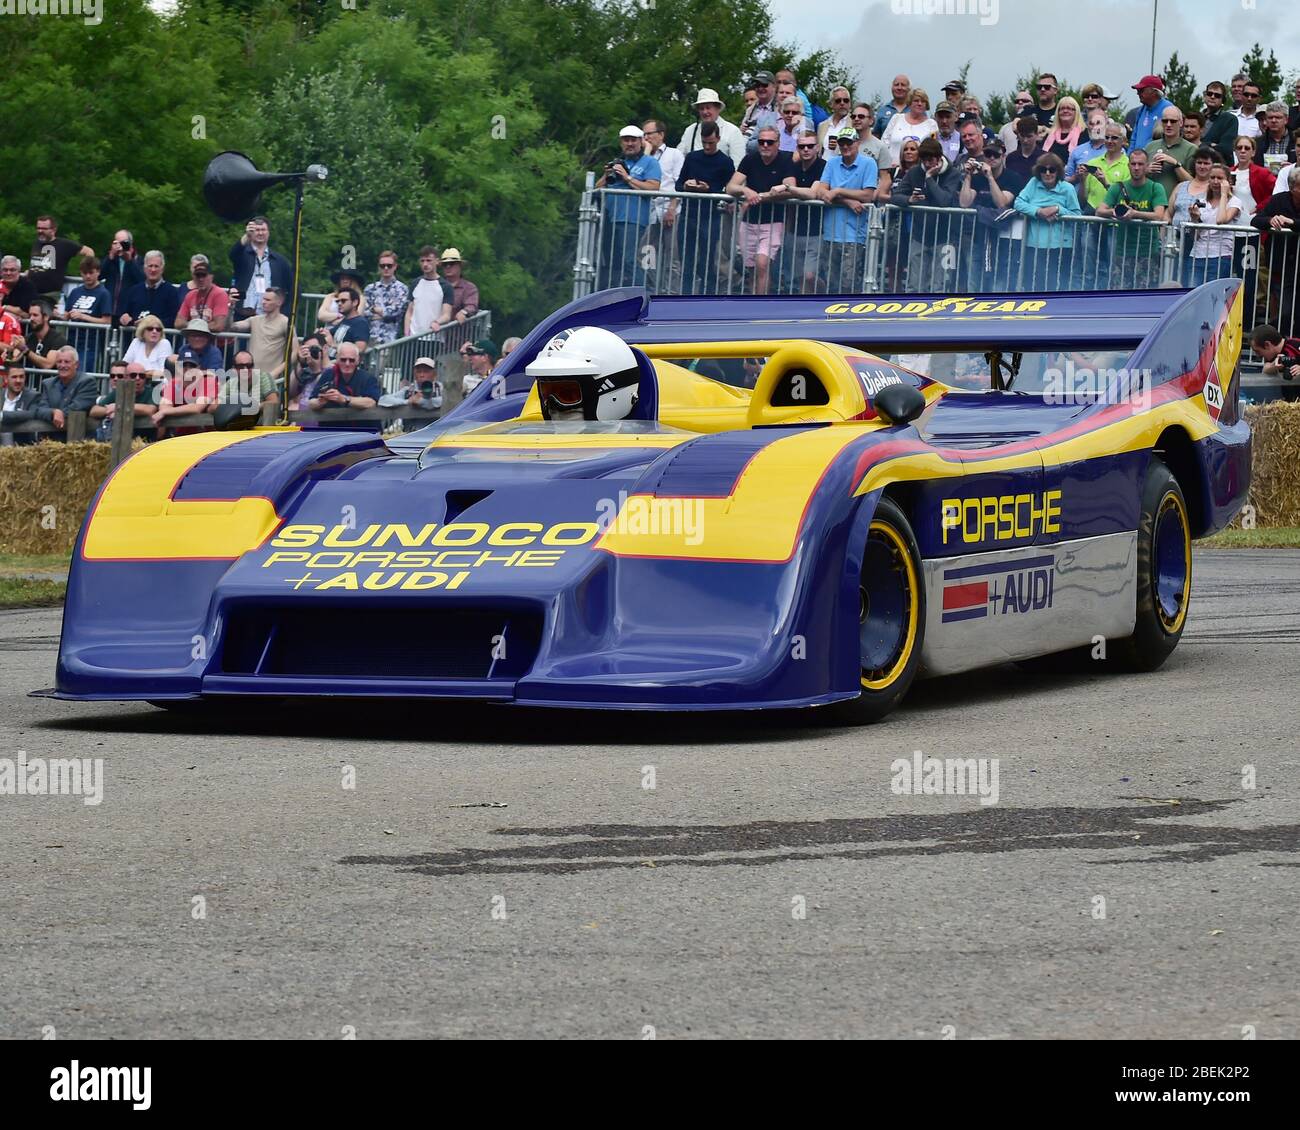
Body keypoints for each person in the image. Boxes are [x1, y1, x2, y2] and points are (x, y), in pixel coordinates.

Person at [727, 125, 796, 295]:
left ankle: (761, 306)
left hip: (773, 221)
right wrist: (745, 190)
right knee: (752, 268)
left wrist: (761, 196)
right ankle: (754, 304)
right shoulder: (750, 159)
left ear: (778, 143)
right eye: (762, 141)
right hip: (749, 220)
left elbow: (790, 188)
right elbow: (731, 187)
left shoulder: (786, 160)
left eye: (770, 142)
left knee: (762, 263)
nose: (765, 145)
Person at [670, 120, 735, 293]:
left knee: (707, 260)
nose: (707, 146)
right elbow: (678, 184)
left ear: (718, 139)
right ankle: (685, 297)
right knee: (687, 260)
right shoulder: (692, 158)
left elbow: (730, 192)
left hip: (710, 216)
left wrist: (710, 190)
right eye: (704, 142)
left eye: (711, 143)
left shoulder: (725, 162)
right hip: (688, 214)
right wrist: (686, 186)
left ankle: (708, 296)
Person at [526, 326, 642, 422]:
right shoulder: (531, 443)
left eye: (568, 393)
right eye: (546, 394)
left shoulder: (650, 447)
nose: (553, 406)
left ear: (610, 390)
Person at [596, 125, 662, 288]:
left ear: (641, 142)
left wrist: (627, 178)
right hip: (611, 218)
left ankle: (641, 297)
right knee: (612, 263)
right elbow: (596, 190)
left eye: (633, 140)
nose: (630, 144)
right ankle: (616, 298)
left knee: (630, 260)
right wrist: (607, 175)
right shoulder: (618, 163)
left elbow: (654, 188)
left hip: (632, 219)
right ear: (621, 143)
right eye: (626, 140)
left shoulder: (650, 162)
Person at [815, 127, 878, 292]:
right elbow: (822, 191)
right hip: (830, 234)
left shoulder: (868, 163)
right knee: (830, 285)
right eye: (842, 143)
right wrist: (847, 201)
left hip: (854, 235)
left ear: (857, 143)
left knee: (849, 286)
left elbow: (868, 195)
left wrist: (837, 191)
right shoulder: (832, 162)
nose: (845, 146)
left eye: (849, 142)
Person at [1095, 148, 1169, 288]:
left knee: (1146, 296)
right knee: (1119, 294)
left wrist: (1134, 214)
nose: (1136, 168)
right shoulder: (1118, 187)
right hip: (1122, 251)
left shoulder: (1155, 187)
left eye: (1140, 164)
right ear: (1128, 165)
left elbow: (1159, 215)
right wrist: (1115, 212)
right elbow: (1099, 211)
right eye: (1133, 164)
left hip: (1147, 252)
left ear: (1147, 166)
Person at [1014, 153, 1083, 289]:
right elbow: (1018, 202)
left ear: (1058, 171)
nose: (1047, 173)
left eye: (1052, 170)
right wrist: (1039, 212)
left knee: (1058, 286)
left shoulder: (1067, 188)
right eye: (1043, 170)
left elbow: (1077, 215)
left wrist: (1058, 209)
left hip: (1060, 247)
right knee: (1032, 286)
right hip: (1034, 245)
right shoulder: (1033, 183)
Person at [770, 130, 827, 293]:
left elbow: (812, 193)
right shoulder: (792, 167)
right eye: (802, 146)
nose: (806, 149)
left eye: (810, 146)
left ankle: (824, 292)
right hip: (794, 230)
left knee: (809, 276)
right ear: (798, 148)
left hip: (817, 231)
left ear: (817, 148)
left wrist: (788, 187)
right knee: (798, 278)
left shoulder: (823, 166)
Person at [1250, 168, 1300, 334]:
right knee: (1285, 311)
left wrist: (1292, 222)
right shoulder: (1279, 200)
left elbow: (1294, 224)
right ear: (1293, 188)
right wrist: (1271, 220)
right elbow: (1256, 220)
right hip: (1284, 263)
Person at [1183, 163, 1242, 284]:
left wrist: (1224, 194)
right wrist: (1195, 219)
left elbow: (1221, 220)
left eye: (1220, 178)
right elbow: (1194, 236)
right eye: (1212, 177)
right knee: (1194, 296)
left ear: (1228, 181)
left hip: (1220, 256)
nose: (1215, 181)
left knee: (1214, 298)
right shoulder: (1201, 201)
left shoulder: (1235, 202)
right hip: (1197, 255)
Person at [228, 216, 294, 318]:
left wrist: (285, 312)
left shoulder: (279, 261)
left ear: (268, 232)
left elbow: (294, 288)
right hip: (243, 311)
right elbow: (233, 254)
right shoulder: (243, 255)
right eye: (257, 230)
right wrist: (247, 236)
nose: (260, 233)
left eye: (263, 230)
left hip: (268, 315)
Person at [231, 286, 297, 387]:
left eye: (268, 300)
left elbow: (296, 352)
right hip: (249, 377)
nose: (263, 302)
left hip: (270, 381)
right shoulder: (255, 320)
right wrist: (230, 307)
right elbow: (231, 327)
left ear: (279, 302)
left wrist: (276, 372)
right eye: (263, 299)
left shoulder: (286, 322)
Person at [33, 347, 98, 438]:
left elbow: (78, 407)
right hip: (49, 440)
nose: (62, 365)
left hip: (78, 440)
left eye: (67, 362)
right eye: (59, 362)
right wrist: (54, 412)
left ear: (76, 365)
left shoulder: (87, 382)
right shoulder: (48, 384)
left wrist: (61, 413)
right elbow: (39, 409)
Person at [63, 256, 112, 374]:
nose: (88, 276)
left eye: (91, 273)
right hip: (71, 340)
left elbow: (107, 321)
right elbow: (66, 314)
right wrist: (58, 315)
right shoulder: (75, 292)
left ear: (98, 272)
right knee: (66, 372)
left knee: (83, 374)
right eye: (85, 273)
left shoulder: (103, 293)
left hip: (90, 343)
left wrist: (83, 316)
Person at [28, 215, 94, 301]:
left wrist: (85, 270)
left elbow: (89, 252)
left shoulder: (64, 244)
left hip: (50, 295)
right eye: (38, 228)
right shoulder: (37, 243)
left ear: (54, 229)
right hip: (32, 292)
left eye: (44, 229)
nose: (40, 231)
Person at [676, 88, 746, 166]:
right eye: (701, 108)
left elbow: (738, 165)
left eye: (708, 107)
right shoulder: (690, 131)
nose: (705, 112)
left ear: (718, 108)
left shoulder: (733, 131)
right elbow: (678, 158)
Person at [90, 360, 157, 440]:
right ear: (126, 377)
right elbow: (94, 411)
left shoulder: (153, 392)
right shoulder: (118, 392)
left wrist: (117, 408)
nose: (138, 378)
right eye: (133, 375)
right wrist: (109, 410)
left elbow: (149, 410)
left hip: (147, 440)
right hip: (121, 439)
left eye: (142, 376)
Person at [152, 355, 219, 431]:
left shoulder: (208, 381)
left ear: (198, 368)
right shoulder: (173, 383)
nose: (188, 369)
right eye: (184, 365)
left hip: (206, 436)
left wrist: (166, 411)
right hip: (179, 437)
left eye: (192, 366)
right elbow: (163, 407)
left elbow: (197, 408)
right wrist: (165, 410)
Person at [1145, 106, 1196, 199]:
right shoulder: (1150, 146)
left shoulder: (1191, 149)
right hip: (1150, 204)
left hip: (1177, 205)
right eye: (1165, 121)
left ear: (1181, 123)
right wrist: (1145, 170)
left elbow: (1194, 184)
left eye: (1173, 121)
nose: (1168, 124)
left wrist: (1176, 164)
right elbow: (1135, 177)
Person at [119, 250, 180, 328]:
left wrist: (150, 323)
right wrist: (124, 318)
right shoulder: (134, 291)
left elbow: (173, 320)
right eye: (150, 266)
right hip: (135, 338)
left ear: (162, 269)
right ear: (144, 268)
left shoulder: (171, 292)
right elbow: (124, 314)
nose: (153, 270)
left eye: (156, 266)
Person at [403, 247, 453, 338]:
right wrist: (406, 333)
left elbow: (447, 315)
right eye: (422, 261)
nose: (425, 264)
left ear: (437, 262)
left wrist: (437, 322)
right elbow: (409, 312)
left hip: (433, 337)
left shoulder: (446, 286)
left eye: (429, 260)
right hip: (413, 337)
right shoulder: (415, 283)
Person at [881, 87, 937, 167]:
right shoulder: (896, 118)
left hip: (919, 171)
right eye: (916, 101)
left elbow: (933, 149)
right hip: (892, 168)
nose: (919, 103)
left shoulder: (931, 124)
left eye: (923, 101)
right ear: (910, 103)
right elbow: (884, 143)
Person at [362, 251, 409, 347]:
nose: (386, 268)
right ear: (378, 267)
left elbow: (396, 312)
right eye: (382, 266)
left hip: (390, 339)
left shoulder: (402, 289)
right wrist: (380, 312)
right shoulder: (370, 289)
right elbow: (365, 313)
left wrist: (376, 310)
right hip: (370, 337)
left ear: (395, 266)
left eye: (389, 265)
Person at [174, 255, 231, 332]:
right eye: (198, 275)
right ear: (193, 277)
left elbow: (218, 326)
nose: (201, 279)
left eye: (204, 275)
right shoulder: (190, 295)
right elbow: (178, 323)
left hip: (217, 342)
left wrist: (194, 325)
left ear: (211, 277)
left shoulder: (220, 294)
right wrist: (196, 325)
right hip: (196, 340)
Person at [100, 229, 144, 324]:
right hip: (110, 308)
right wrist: (110, 257)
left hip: (129, 310)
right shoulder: (111, 260)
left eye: (123, 243)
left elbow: (142, 280)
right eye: (116, 243)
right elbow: (99, 276)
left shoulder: (138, 261)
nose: (119, 246)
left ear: (130, 244)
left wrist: (130, 261)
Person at [221, 349, 278, 417]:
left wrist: (251, 408)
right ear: (234, 368)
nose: (245, 369)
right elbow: (214, 406)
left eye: (249, 366)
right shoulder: (231, 382)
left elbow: (273, 402)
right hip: (237, 423)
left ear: (253, 366)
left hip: (261, 422)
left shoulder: (264, 377)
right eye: (241, 366)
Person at [1230, 136, 1274, 220]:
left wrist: (1259, 208)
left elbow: (1276, 193)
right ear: (1235, 151)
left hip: (1252, 222)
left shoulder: (1263, 173)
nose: (1243, 151)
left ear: (1253, 152)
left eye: (1247, 148)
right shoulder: (1228, 172)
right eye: (1239, 148)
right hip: (1231, 221)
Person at [1127, 75, 1174, 153]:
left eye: (1141, 90)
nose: (1138, 94)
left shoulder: (1168, 109)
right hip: (1138, 161)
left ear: (1154, 92)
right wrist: (1130, 156)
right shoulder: (1141, 110)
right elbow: (1134, 138)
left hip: (1156, 159)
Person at [121, 314, 175, 379]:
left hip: (157, 385)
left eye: (158, 329)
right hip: (135, 383)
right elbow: (124, 365)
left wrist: (139, 374)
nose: (154, 331)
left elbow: (164, 373)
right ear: (142, 331)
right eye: (150, 329)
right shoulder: (136, 342)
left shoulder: (164, 344)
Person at [319, 288, 369, 357]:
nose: (339, 304)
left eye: (343, 301)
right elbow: (330, 333)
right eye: (337, 301)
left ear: (355, 302)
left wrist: (333, 344)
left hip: (345, 364)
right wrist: (322, 333)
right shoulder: (345, 320)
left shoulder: (361, 323)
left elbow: (360, 349)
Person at [740, 70, 780, 154]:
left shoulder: (780, 107)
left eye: (764, 85)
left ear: (774, 87)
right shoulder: (750, 109)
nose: (760, 88)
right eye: (757, 85)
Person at [0, 363, 39, 447]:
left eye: (21, 377)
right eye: (14, 377)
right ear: (6, 379)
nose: (18, 380)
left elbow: (30, 414)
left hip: (21, 451)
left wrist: (2, 415)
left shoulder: (33, 396)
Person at [19, 301, 65, 370]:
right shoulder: (27, 338)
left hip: (47, 380)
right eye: (30, 315)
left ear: (46, 317)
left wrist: (25, 350)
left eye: (35, 315)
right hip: (28, 380)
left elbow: (48, 364)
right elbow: (13, 361)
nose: (31, 318)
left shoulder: (58, 339)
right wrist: (8, 357)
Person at [438, 248, 479, 323]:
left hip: (460, 333)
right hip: (436, 331)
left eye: (452, 263)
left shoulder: (469, 287)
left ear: (460, 266)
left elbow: (472, 305)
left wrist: (463, 312)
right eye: (445, 264)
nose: (448, 267)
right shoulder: (437, 285)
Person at [1201, 81, 1239, 163]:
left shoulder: (1230, 119)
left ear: (1223, 100)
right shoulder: (1197, 117)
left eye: (1217, 95)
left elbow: (1226, 148)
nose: (1212, 97)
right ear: (1205, 96)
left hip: (1219, 167)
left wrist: (1202, 145)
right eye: (1209, 93)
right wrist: (1212, 144)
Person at [1255, 102, 1297, 174]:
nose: (1273, 121)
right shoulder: (1257, 142)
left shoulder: (1296, 140)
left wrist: (1294, 168)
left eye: (1278, 117)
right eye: (1270, 118)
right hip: (1265, 182)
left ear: (1286, 120)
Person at [1005, 113, 1046, 184]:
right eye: (1022, 136)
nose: (1025, 140)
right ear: (1018, 135)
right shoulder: (1011, 158)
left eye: (1029, 136)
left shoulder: (1045, 158)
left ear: (1036, 135)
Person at [1044, 97, 1084, 164]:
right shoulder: (1050, 134)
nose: (1065, 111)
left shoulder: (1083, 133)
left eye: (1069, 108)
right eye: (1062, 108)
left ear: (1076, 112)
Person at [0, 256, 38, 320]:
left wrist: (5, 307)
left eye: (12, 270)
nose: (8, 273)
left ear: (19, 271)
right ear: (1, 272)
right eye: (5, 270)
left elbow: (26, 314)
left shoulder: (27, 286)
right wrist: (11, 314)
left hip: (21, 328)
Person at [874, 75, 912, 140]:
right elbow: (876, 135)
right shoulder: (882, 110)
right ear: (892, 88)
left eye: (903, 85)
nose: (899, 88)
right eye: (896, 85)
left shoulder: (916, 109)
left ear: (909, 89)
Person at [817, 87, 853, 153]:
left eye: (846, 100)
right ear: (831, 104)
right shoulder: (822, 126)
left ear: (850, 103)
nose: (842, 103)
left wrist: (840, 146)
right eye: (838, 101)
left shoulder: (854, 123)